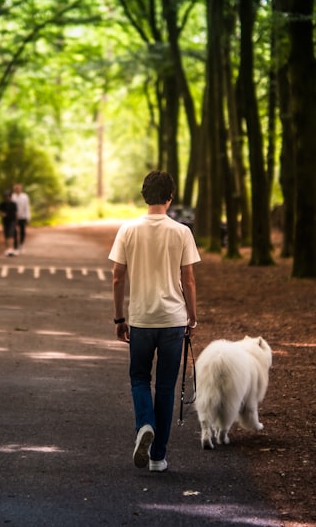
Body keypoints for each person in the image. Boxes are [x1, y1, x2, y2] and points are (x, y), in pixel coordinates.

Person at [108, 170, 199, 473]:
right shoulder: (182, 231)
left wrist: (120, 318)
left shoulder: (128, 230)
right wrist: (192, 316)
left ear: (144, 196)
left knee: (138, 379)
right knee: (166, 387)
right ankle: (158, 457)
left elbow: (117, 277)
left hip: (141, 319)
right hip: (173, 320)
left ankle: (144, 424)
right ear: (170, 197)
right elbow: (188, 280)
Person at [0, 190, 19, 256]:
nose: (7, 197)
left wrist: (16, 223)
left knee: (11, 234)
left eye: (8, 196)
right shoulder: (2, 204)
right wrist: (2, 214)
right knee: (6, 235)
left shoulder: (13, 204)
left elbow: (16, 214)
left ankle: (11, 248)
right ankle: (8, 249)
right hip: (5, 222)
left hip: (12, 221)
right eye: (6, 196)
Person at [12, 183, 31, 253]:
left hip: (23, 217)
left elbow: (27, 207)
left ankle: (22, 245)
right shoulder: (12, 197)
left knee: (22, 232)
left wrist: (28, 217)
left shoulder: (25, 196)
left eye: (18, 188)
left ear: (21, 188)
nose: (17, 189)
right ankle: (15, 246)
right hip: (14, 217)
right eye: (16, 188)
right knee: (14, 232)